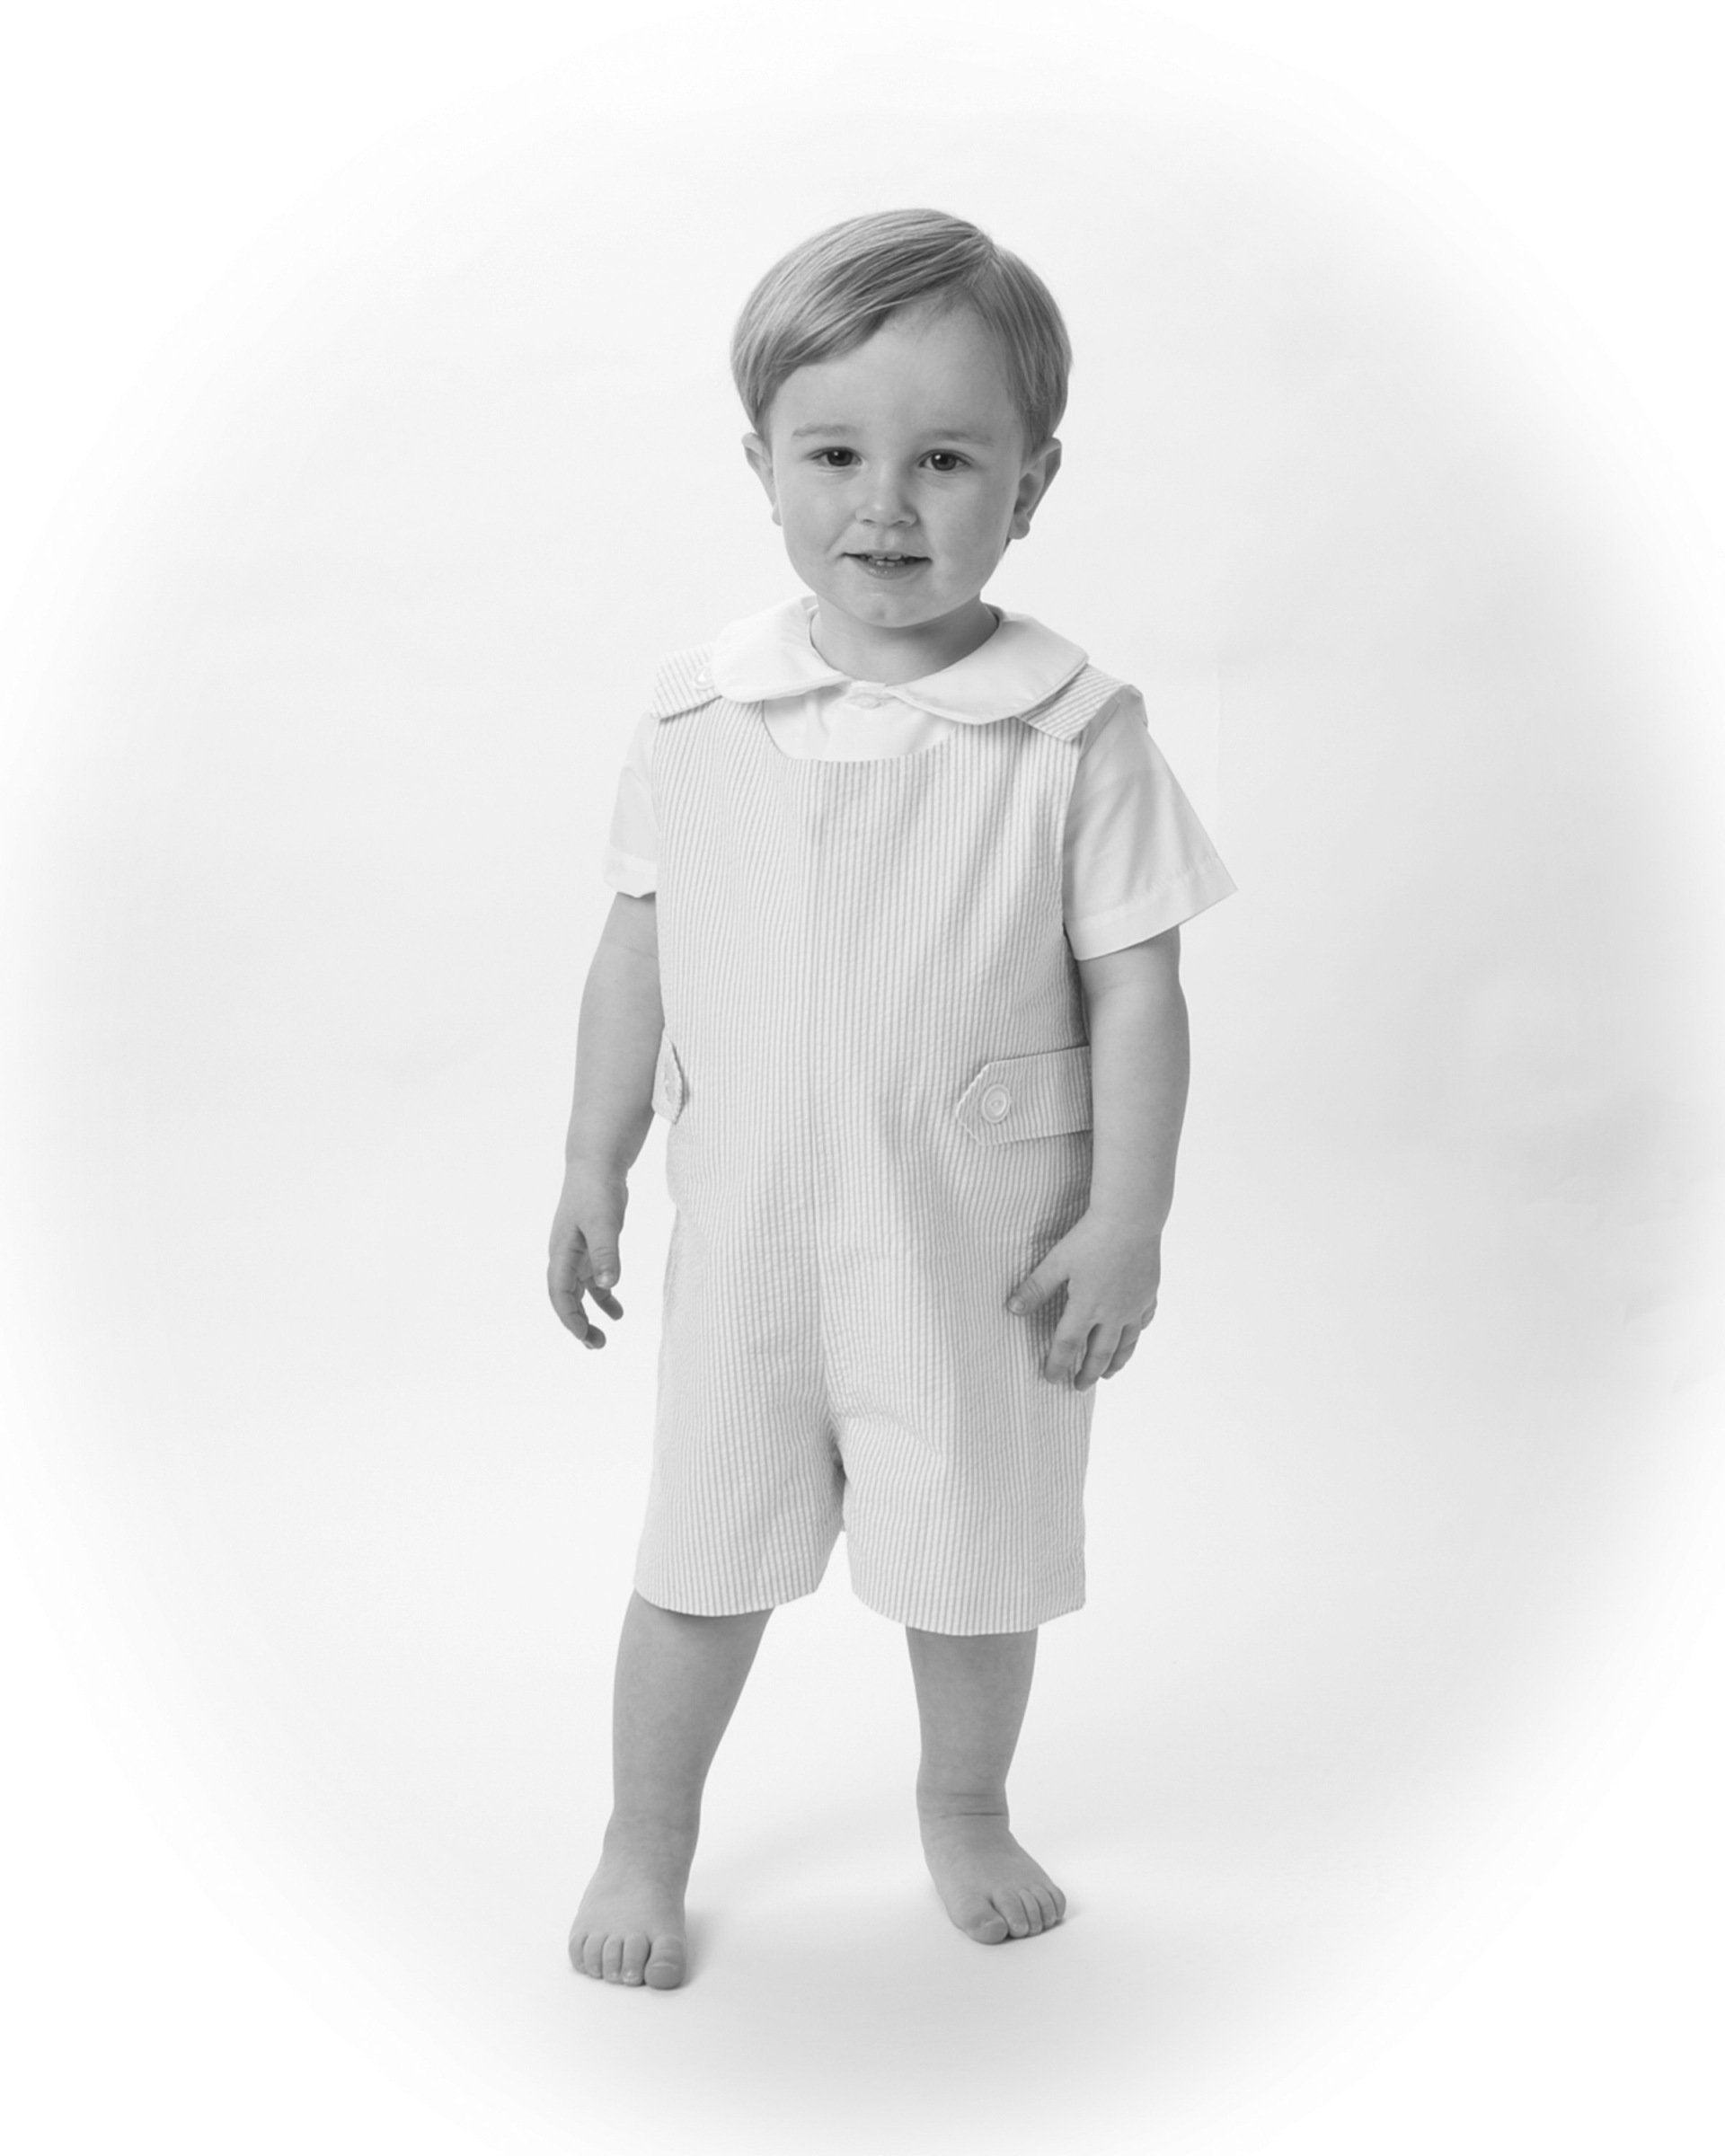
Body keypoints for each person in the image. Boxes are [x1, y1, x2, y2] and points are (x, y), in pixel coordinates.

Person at [548, 208, 1235, 1989]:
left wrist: (1128, 1220)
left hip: (983, 1239)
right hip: (753, 1239)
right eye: (835, 455)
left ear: (1032, 481)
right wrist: (592, 1161)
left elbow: (1139, 986)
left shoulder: (1073, 731)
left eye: (945, 460)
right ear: (762, 465)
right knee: (701, 1554)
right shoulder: (698, 717)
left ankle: (965, 1800)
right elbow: (637, 948)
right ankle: (648, 1828)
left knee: (975, 1560)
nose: (886, 505)